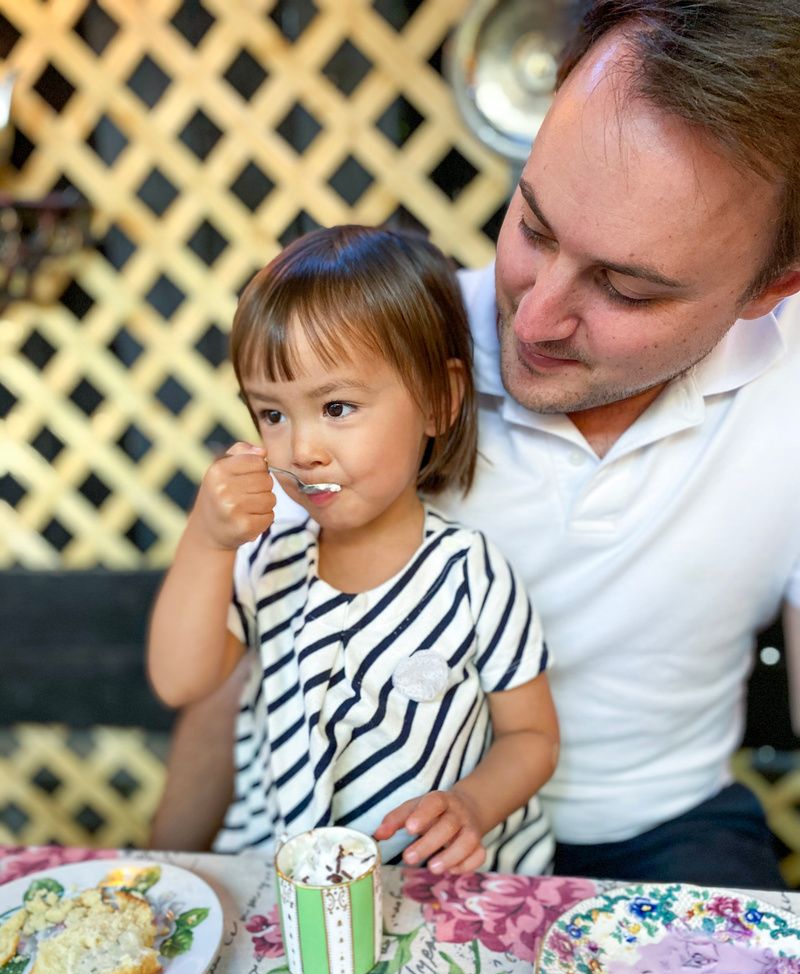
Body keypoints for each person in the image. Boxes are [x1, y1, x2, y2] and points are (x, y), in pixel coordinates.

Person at [151, 0, 800, 890]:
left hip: (666, 828)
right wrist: (159, 879)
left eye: (626, 289)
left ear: (771, 288)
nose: (530, 316)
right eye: (531, 226)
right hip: (380, 832)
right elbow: (243, 666)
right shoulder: (374, 370)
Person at [147, 225, 559, 875]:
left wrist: (472, 804)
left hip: (433, 888)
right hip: (285, 884)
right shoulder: (268, 559)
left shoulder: (471, 575)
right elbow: (179, 681)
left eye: (336, 407)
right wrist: (206, 541)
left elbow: (532, 737)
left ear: (439, 400)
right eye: (272, 415)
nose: (301, 447)